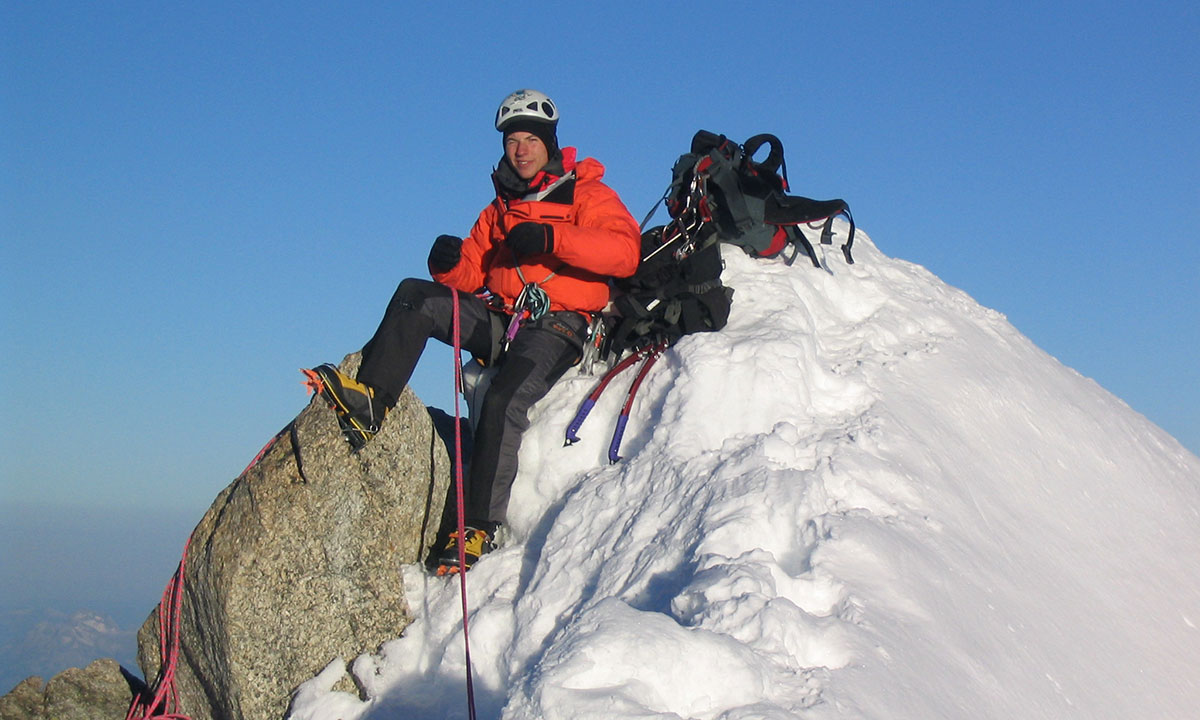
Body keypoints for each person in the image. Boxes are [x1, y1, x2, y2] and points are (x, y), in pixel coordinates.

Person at [304, 89, 641, 574]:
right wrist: (447, 266)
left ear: (549, 143)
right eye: (512, 141)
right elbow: (472, 274)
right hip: (503, 318)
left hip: (559, 324)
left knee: (503, 398)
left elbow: (623, 252)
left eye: (530, 139)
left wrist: (553, 238)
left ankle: (477, 526)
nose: (520, 149)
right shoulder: (499, 208)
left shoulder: (586, 194)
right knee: (415, 295)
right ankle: (371, 398)